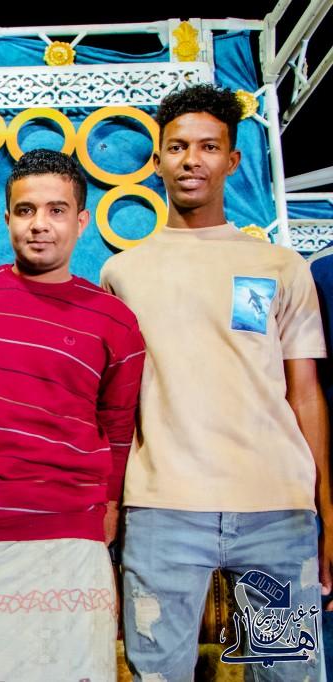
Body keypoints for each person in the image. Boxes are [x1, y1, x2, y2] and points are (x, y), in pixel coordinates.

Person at [101, 84, 331, 680]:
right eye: (178, 147)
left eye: (208, 146)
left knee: (285, 674)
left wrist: (327, 511)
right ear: (157, 160)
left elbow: (305, 393)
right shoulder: (122, 273)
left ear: (232, 160)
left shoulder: (280, 266)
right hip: (161, 511)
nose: (191, 160)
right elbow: (113, 406)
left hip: (276, 511)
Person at [0, 149, 144, 680]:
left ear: (81, 221)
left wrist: (106, 507)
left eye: (56, 210)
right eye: (26, 210)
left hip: (67, 539)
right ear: (7, 217)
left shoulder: (115, 321)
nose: (40, 224)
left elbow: (117, 427)